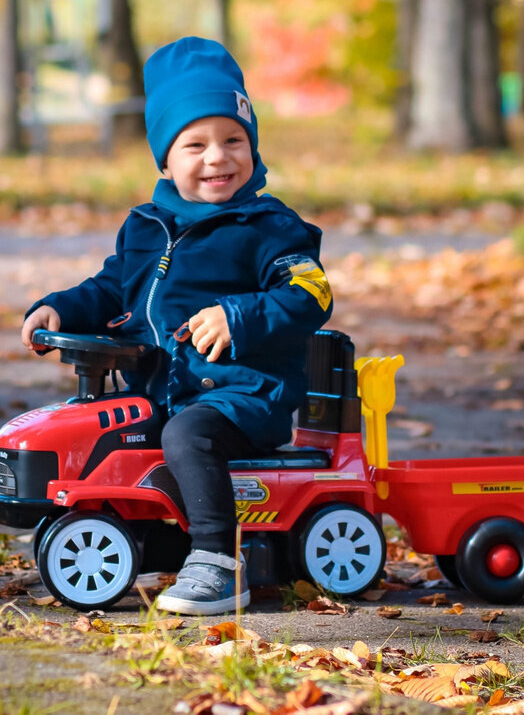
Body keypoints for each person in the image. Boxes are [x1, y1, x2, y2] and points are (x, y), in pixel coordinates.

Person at [20, 36, 332, 615]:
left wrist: (237, 316)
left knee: (188, 436)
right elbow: (112, 287)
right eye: (195, 144)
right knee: (101, 431)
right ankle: (126, 535)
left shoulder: (268, 227)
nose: (218, 157)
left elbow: (310, 294)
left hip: (242, 393)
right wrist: (60, 307)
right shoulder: (145, 227)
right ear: (164, 158)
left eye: (233, 140)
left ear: (253, 146)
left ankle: (219, 560)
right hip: (160, 390)